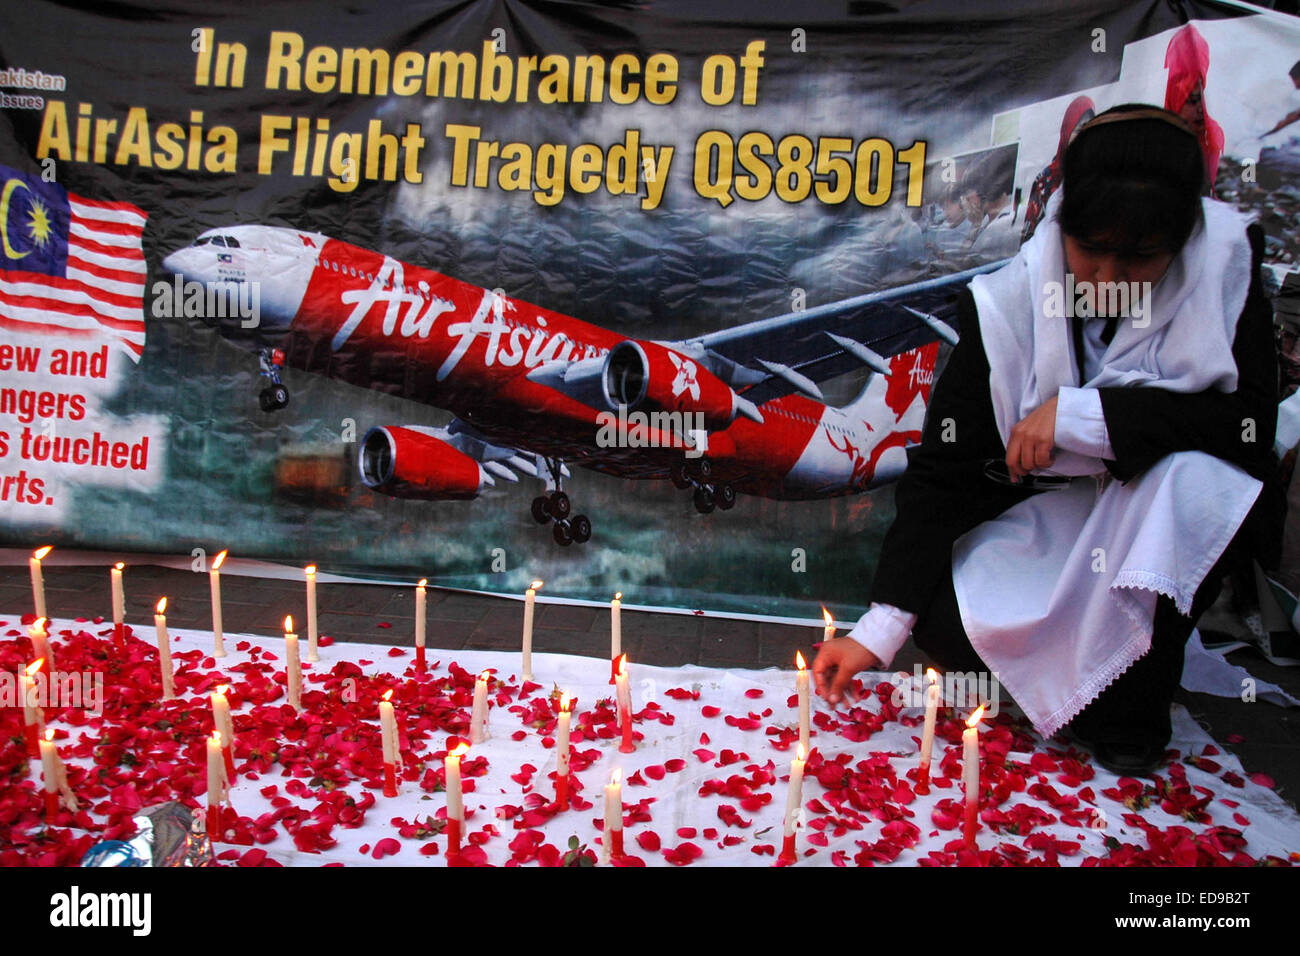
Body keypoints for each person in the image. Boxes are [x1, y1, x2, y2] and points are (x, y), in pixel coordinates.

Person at [813, 104, 1281, 776]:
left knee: (1198, 481)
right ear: (1062, 224)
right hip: (1051, 518)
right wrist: (879, 630)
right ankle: (1090, 681)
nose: (1109, 281)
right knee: (943, 616)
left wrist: (1084, 417)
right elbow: (944, 468)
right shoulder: (1011, 302)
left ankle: (1131, 701)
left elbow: (1245, 430)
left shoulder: (1225, 273)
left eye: (1140, 258)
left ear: (1183, 243)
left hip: (1157, 520)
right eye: (1090, 250)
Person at [1021, 96, 1095, 243]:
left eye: (1090, 128)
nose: (1084, 136)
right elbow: (1028, 236)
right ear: (1067, 131)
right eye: (1079, 129)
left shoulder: (1099, 174)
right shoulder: (1046, 180)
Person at [1164, 24, 1225, 194]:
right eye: (1192, 101)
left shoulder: (1212, 137)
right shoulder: (1157, 140)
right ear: (1174, 102)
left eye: (1203, 101)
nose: (1201, 109)